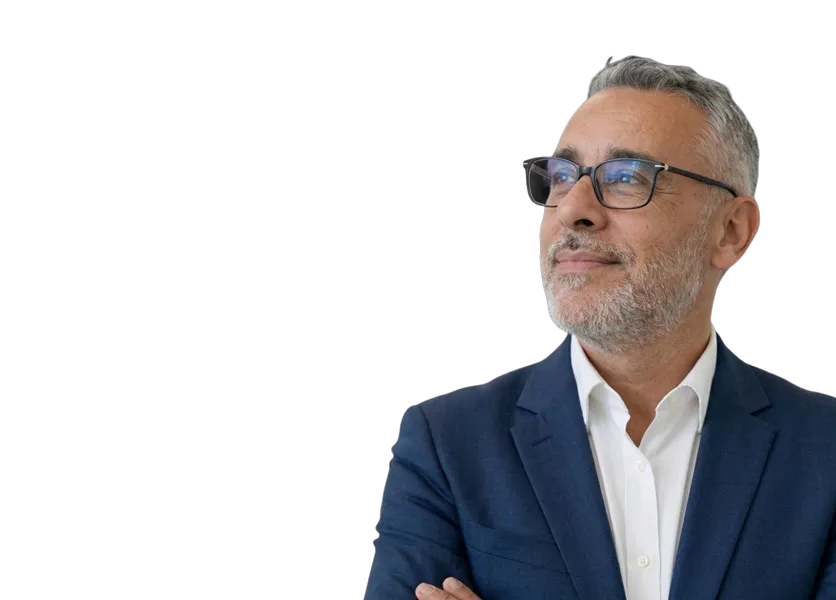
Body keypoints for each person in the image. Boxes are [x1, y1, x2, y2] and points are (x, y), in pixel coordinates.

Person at [363, 56, 836, 600]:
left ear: (730, 230)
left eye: (627, 177)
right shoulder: (448, 445)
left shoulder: (823, 450)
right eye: (563, 177)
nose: (572, 210)